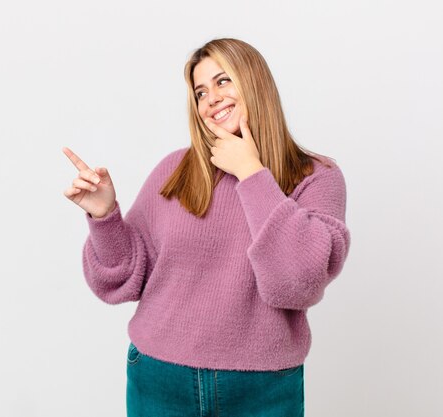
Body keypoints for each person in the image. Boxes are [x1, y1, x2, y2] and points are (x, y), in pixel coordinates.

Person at [62, 38, 351, 417]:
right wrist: (104, 217)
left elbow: (297, 283)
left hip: (262, 386)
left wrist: (251, 173)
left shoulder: (316, 177)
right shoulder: (176, 170)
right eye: (200, 91)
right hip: (159, 375)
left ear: (254, 83)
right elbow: (121, 279)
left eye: (223, 81)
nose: (211, 98)